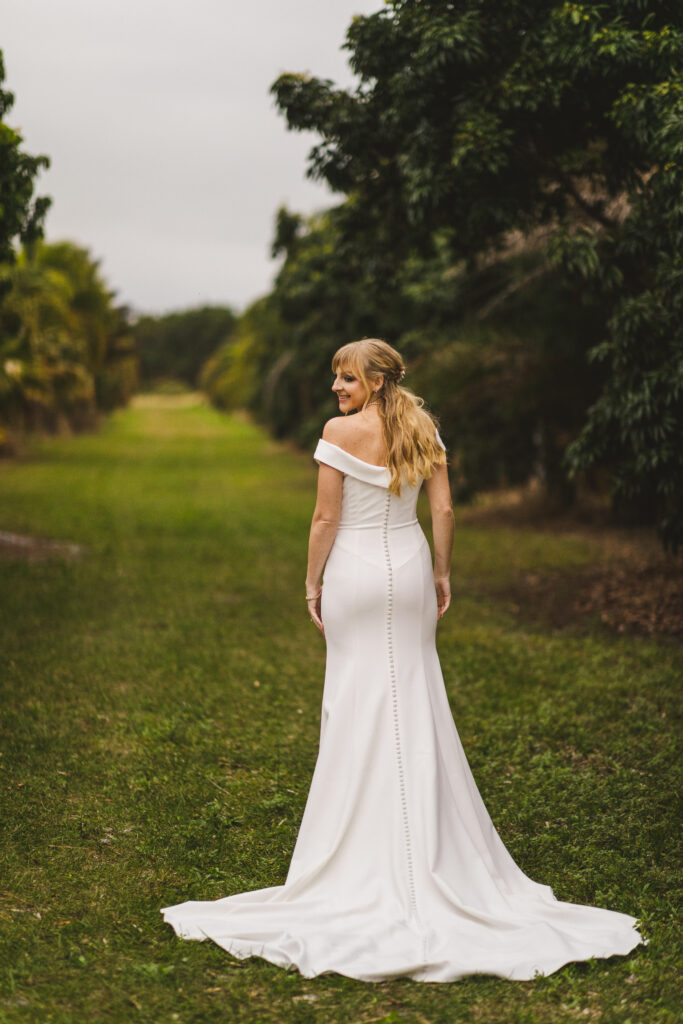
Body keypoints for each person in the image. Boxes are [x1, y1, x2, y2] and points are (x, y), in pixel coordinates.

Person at [161, 338, 646, 982]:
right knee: (413, 700)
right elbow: (442, 508)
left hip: (357, 573)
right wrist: (442, 574)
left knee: (357, 702)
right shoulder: (425, 430)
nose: (337, 388)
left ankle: (363, 856)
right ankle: (427, 851)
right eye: (335, 377)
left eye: (348, 377)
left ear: (379, 382)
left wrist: (312, 584)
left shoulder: (339, 433)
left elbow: (323, 519)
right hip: (410, 566)